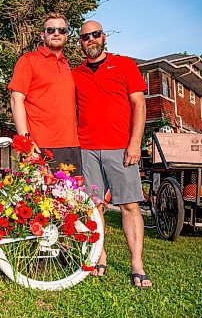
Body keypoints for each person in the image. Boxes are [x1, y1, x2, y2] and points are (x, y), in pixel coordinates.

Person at [72, 21, 152, 288]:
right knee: (94, 207)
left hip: (121, 148)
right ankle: (100, 256)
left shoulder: (125, 65)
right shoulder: (76, 73)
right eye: (85, 37)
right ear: (81, 42)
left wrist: (135, 142)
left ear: (103, 37)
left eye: (95, 34)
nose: (90, 40)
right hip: (87, 149)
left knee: (129, 205)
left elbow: (139, 104)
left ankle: (137, 264)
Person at [8, 12, 81, 175]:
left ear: (67, 36)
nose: (56, 33)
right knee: (42, 200)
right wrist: (26, 143)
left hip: (72, 147)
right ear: (42, 35)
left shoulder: (67, 65)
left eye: (61, 30)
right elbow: (16, 100)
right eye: (51, 30)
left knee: (73, 199)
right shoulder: (28, 60)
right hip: (41, 146)